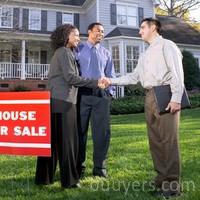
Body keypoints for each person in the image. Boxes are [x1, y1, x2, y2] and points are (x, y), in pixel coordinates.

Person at [102, 18, 184, 198]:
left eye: (142, 28)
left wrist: (176, 98)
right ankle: (161, 180)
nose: (139, 32)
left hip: (166, 94)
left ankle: (172, 185)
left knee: (168, 141)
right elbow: (133, 77)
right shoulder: (145, 54)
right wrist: (111, 80)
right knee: (155, 141)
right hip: (149, 96)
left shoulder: (167, 45)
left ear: (153, 28)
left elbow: (177, 72)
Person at [35, 24, 103, 189]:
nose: (78, 38)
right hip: (64, 102)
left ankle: (44, 178)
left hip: (53, 100)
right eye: (76, 35)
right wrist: (96, 82)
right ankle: (70, 181)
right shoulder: (65, 52)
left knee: (50, 142)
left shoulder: (60, 52)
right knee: (68, 143)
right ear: (67, 36)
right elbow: (71, 78)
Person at [75, 22, 116, 178]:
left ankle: (100, 168)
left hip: (101, 96)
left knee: (102, 134)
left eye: (103, 32)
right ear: (89, 31)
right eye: (98, 31)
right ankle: (78, 167)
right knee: (79, 132)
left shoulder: (106, 53)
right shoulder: (77, 50)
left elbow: (110, 74)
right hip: (82, 95)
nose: (101, 33)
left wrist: (109, 93)